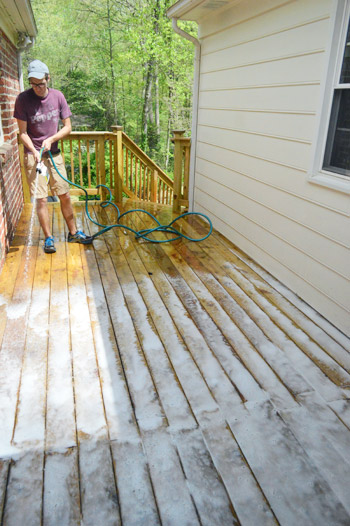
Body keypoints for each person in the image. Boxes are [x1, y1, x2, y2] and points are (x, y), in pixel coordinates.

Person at [14, 59, 93, 253]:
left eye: (41, 83)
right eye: (33, 84)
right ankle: (49, 238)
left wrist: (51, 139)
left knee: (64, 195)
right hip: (35, 156)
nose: (37, 88)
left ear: (48, 78)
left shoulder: (58, 97)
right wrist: (34, 151)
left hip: (54, 154)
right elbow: (22, 133)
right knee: (41, 199)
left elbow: (68, 127)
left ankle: (73, 233)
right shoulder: (23, 100)